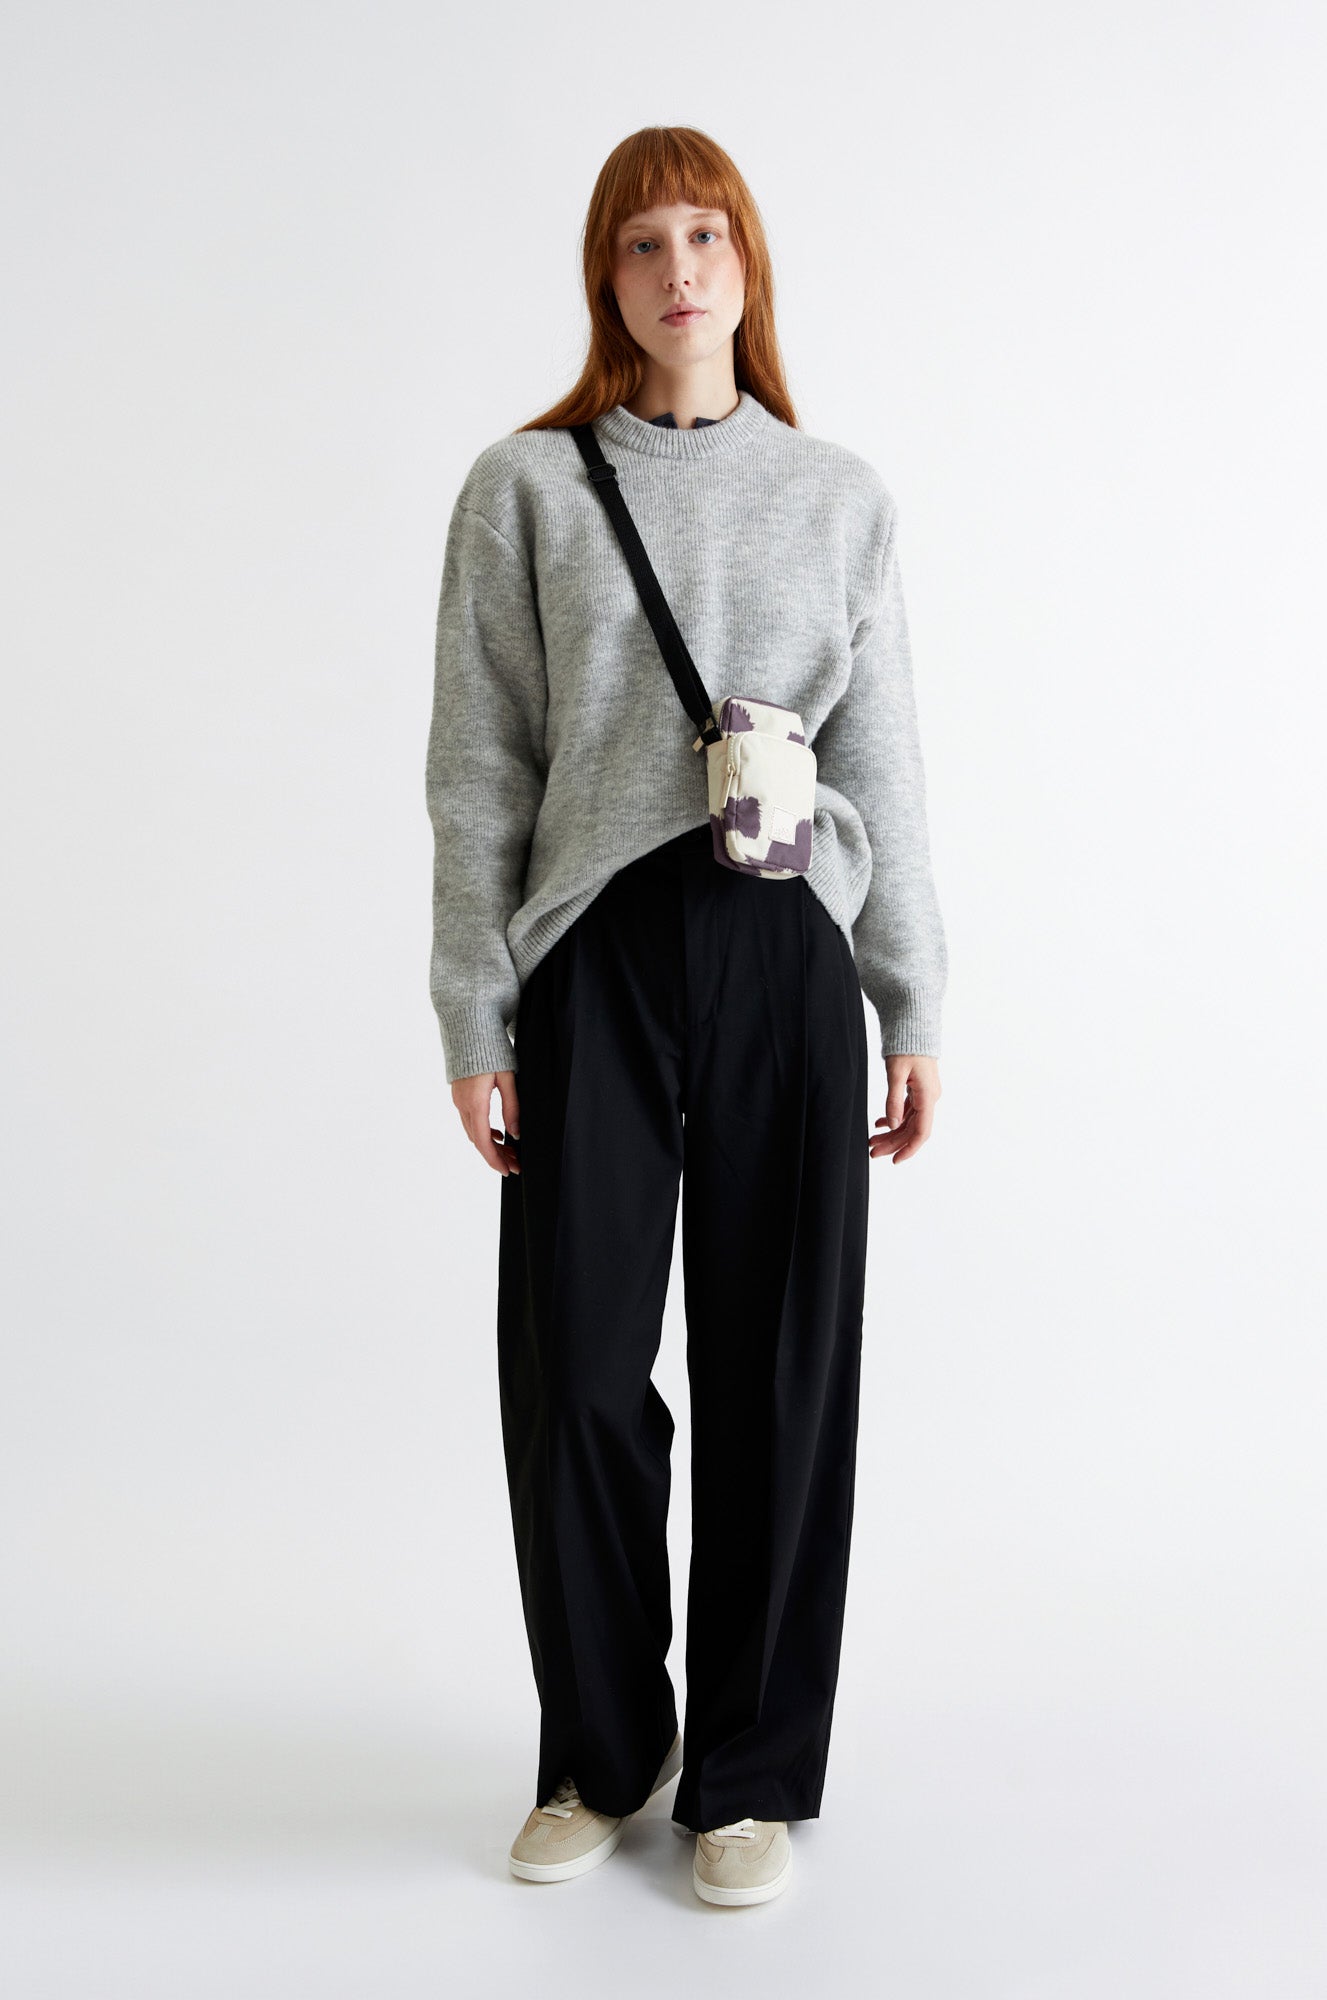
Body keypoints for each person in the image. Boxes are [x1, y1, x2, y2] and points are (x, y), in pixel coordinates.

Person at [425, 126, 948, 1907]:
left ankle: (747, 1773)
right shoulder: (526, 487)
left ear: (747, 266)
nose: (676, 271)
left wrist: (910, 998)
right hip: (595, 951)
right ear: (606, 277)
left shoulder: (837, 493)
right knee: (574, 1364)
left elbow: (885, 761)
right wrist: (474, 1011)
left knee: (778, 1367)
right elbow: (480, 767)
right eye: (642, 243)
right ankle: (602, 1747)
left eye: (704, 236)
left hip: (783, 947)